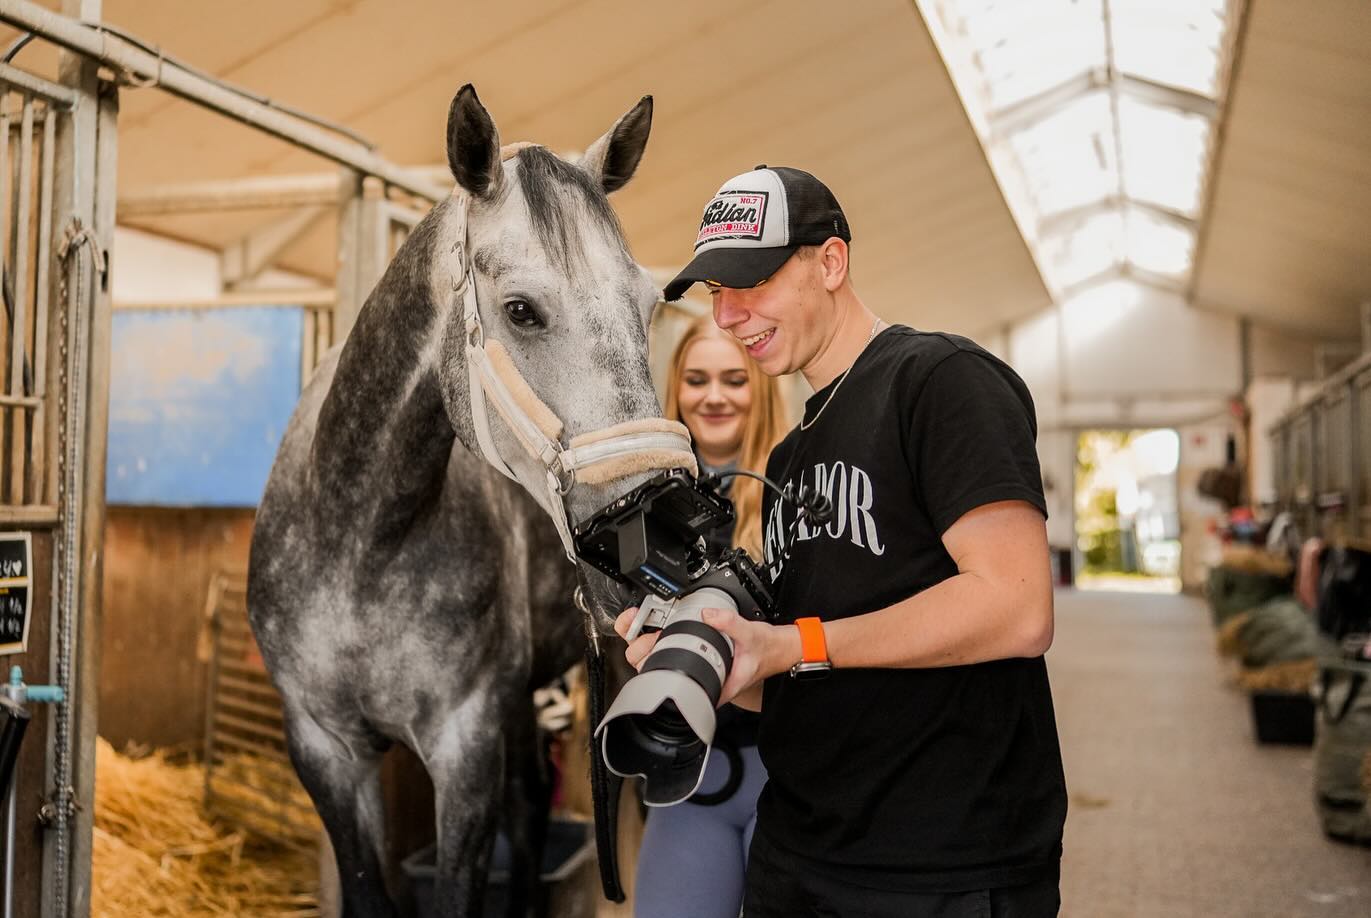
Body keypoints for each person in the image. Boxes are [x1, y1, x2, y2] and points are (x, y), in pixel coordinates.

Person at [618, 165, 1067, 916]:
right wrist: (709, 660)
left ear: (830, 262)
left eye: (751, 281)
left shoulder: (940, 380)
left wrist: (794, 643)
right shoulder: (789, 457)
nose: (727, 313)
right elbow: (810, 676)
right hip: (798, 854)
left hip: (940, 866)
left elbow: (1017, 608)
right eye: (716, 290)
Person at [632, 312, 789, 918]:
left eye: (734, 379)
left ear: (761, 388)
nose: (715, 396)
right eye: (697, 380)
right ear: (676, 389)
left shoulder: (796, 495)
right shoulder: (642, 502)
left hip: (789, 771)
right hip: (692, 774)